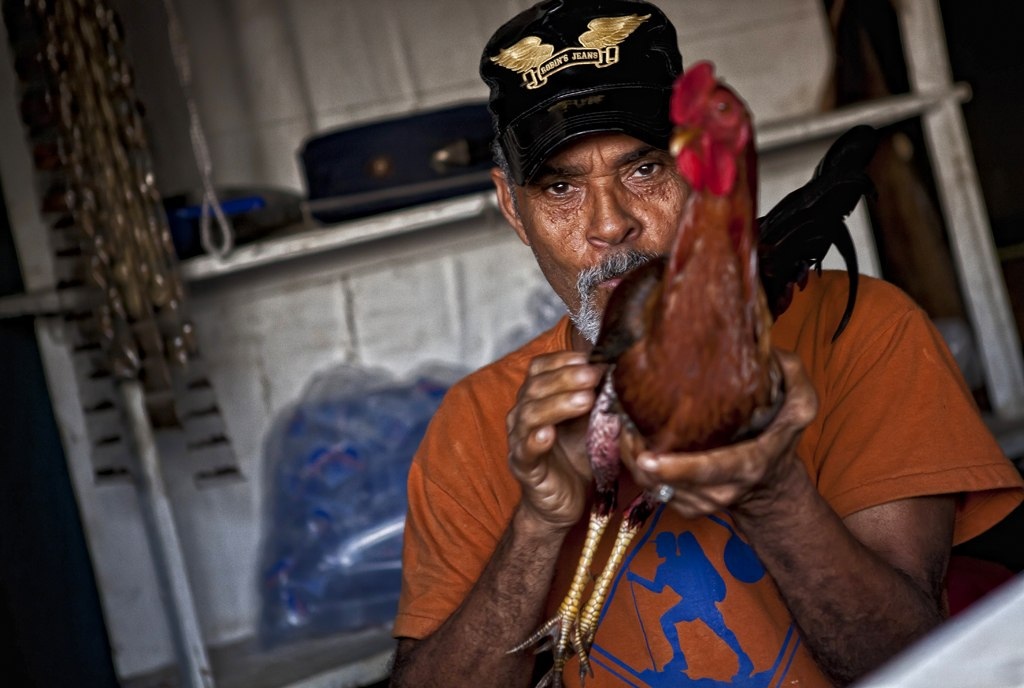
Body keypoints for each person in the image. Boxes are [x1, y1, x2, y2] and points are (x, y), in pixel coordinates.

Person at [389, 1, 1024, 686]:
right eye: (562, 187)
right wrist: (538, 525)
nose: (610, 226)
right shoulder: (476, 423)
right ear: (513, 208)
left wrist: (774, 493)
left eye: (645, 170)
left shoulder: (864, 332)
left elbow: (918, 664)